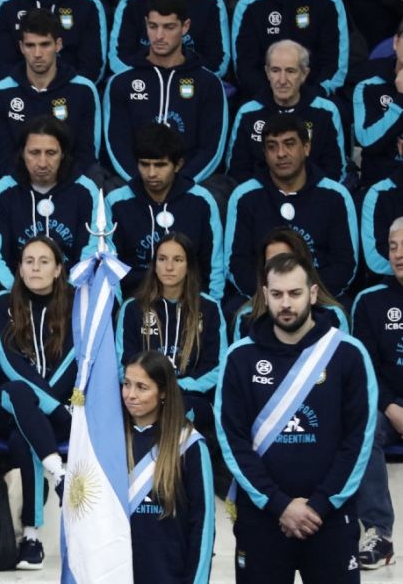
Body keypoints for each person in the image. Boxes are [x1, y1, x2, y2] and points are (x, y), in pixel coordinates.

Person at [214, 252, 375, 584]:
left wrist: (319, 504)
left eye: (294, 293)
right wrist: (278, 504)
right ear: (264, 295)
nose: (285, 303)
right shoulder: (239, 358)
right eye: (276, 294)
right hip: (262, 519)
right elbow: (233, 441)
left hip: (330, 518)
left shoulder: (349, 354)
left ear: (313, 294)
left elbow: (358, 442)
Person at [0, 235, 76, 570]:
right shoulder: (3, 302)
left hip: (44, 418)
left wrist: (50, 407)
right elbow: (10, 367)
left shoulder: (76, 302)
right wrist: (56, 410)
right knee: (18, 392)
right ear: (19, 269)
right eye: (28, 261)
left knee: (24, 438)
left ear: (58, 269)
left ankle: (31, 535)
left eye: (44, 261)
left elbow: (72, 361)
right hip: (5, 406)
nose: (35, 267)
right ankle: (60, 474)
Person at [224, 114, 358, 300]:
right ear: (264, 152)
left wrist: (303, 297)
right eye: (272, 146)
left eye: (289, 144)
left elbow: (344, 265)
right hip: (261, 299)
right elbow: (237, 265)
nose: (281, 153)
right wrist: (274, 297)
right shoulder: (244, 196)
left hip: (320, 299)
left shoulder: (335, 196)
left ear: (306, 147)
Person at [104, 0, 227, 183]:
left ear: (185, 27)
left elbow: (211, 149)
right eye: (153, 26)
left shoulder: (208, 83)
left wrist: (181, 183)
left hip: (188, 184)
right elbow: (117, 145)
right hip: (137, 183)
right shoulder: (122, 83)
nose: (159, 36)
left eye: (169, 27)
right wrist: (141, 183)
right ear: (146, 24)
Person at [116, 233, 226, 431]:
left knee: (185, 411)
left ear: (189, 265)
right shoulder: (133, 308)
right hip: (142, 396)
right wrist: (151, 389)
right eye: (162, 259)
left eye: (178, 260)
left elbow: (217, 367)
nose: (169, 267)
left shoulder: (209, 308)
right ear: (154, 264)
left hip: (190, 396)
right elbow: (123, 363)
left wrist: (175, 388)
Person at [123, 350, 215, 584]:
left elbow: (202, 525)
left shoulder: (189, 443)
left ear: (163, 392)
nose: (131, 395)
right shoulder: (110, 441)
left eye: (142, 387)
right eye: (126, 384)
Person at [106, 123, 224, 298]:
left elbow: (213, 266)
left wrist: (211, 306)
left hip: (190, 302)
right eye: (144, 164)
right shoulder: (116, 202)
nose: (151, 173)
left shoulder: (201, 201)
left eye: (160, 165)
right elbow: (111, 266)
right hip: (134, 302)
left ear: (178, 165)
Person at [0, 116, 101, 292]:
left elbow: (89, 253)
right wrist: (18, 292)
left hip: (71, 292)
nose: (42, 163)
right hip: (17, 291)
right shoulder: (2, 191)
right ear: (22, 153)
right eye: (34, 152)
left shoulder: (85, 190)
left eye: (51, 153)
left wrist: (66, 292)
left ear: (63, 154)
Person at [0, 9, 101, 179]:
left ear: (58, 44)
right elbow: (4, 159)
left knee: (95, 174)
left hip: (70, 186)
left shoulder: (83, 90)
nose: (38, 54)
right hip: (20, 187)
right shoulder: (1, 93)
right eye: (30, 45)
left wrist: (60, 188)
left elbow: (86, 155)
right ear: (21, 47)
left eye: (45, 44)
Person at [351, 216, 403, 569]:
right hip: (390, 408)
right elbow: (364, 368)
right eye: (393, 246)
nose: (398, 254)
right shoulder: (370, 301)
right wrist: (391, 406)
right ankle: (379, 533)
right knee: (361, 421)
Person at [230, 0, 348, 97]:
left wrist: (305, 99)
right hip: (264, 101)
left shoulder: (329, 1)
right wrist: (274, 99)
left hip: (315, 99)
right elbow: (245, 69)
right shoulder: (248, 5)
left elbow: (334, 65)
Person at [226, 40, 347, 183]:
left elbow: (335, 171)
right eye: (275, 70)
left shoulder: (326, 112)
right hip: (261, 200)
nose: (282, 80)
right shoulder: (248, 113)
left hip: (313, 199)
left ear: (304, 74)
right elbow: (237, 171)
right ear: (267, 72)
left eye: (290, 71)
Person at [231, 227, 349, 342]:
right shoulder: (246, 318)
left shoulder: (334, 316)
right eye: (272, 263)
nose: (280, 268)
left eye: (287, 261)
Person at [353, 19, 403, 188]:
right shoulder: (368, 87)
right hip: (377, 188)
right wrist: (400, 100)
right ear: (396, 42)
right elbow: (368, 141)